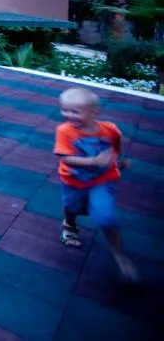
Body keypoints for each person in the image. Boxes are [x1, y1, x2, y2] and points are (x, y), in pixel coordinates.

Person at [53, 87, 138, 281]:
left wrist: (117, 159)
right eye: (65, 110)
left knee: (106, 216)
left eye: (75, 111)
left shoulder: (109, 129)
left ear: (94, 113)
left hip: (102, 180)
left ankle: (119, 254)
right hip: (73, 180)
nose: (68, 115)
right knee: (72, 207)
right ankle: (70, 224)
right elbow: (65, 158)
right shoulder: (64, 131)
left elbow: (115, 143)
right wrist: (93, 162)